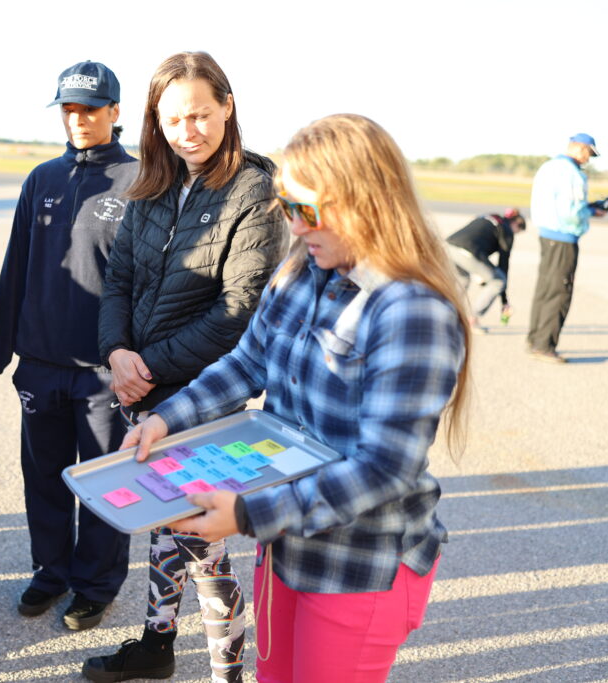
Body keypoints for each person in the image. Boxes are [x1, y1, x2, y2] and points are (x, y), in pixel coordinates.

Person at [125, 113, 471, 683]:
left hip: (357, 562)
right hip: (287, 541)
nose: (292, 224)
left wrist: (246, 515)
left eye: (305, 210)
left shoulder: (410, 310)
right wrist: (166, 419)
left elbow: (384, 469)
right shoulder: (301, 270)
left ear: (363, 204)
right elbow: (247, 363)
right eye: (285, 206)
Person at [85, 52, 287, 683]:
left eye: (199, 114)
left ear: (227, 106)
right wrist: (116, 353)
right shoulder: (154, 183)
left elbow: (236, 313)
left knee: (203, 547)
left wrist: (144, 365)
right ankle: (157, 644)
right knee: (166, 525)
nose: (187, 131)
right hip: (143, 391)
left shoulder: (254, 192)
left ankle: (228, 674)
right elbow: (118, 279)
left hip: (203, 396)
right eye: (172, 119)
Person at [0, 60, 136, 631]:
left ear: (114, 112)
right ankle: (51, 572)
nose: (78, 120)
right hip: (41, 364)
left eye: (90, 109)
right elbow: (16, 265)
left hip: (103, 371)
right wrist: (0, 347)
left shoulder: (140, 181)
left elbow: (146, 283)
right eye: (69, 109)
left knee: (103, 484)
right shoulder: (42, 179)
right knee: (43, 477)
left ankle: (95, 585)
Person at [526, 133, 604, 363]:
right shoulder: (572, 173)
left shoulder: (548, 167)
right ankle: (545, 346)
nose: (588, 159)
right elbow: (572, 212)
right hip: (563, 238)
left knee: (545, 289)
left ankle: (534, 339)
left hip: (546, 234)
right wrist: (592, 211)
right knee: (560, 291)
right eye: (589, 153)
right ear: (580, 148)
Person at [446, 208, 526, 331]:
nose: (514, 234)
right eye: (517, 232)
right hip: (468, 251)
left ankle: (445, 313)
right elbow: (503, 265)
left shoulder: (489, 216)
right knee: (498, 281)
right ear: (516, 224)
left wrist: (481, 273)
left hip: (448, 246)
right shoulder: (507, 230)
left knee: (463, 279)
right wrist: (504, 301)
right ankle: (472, 320)